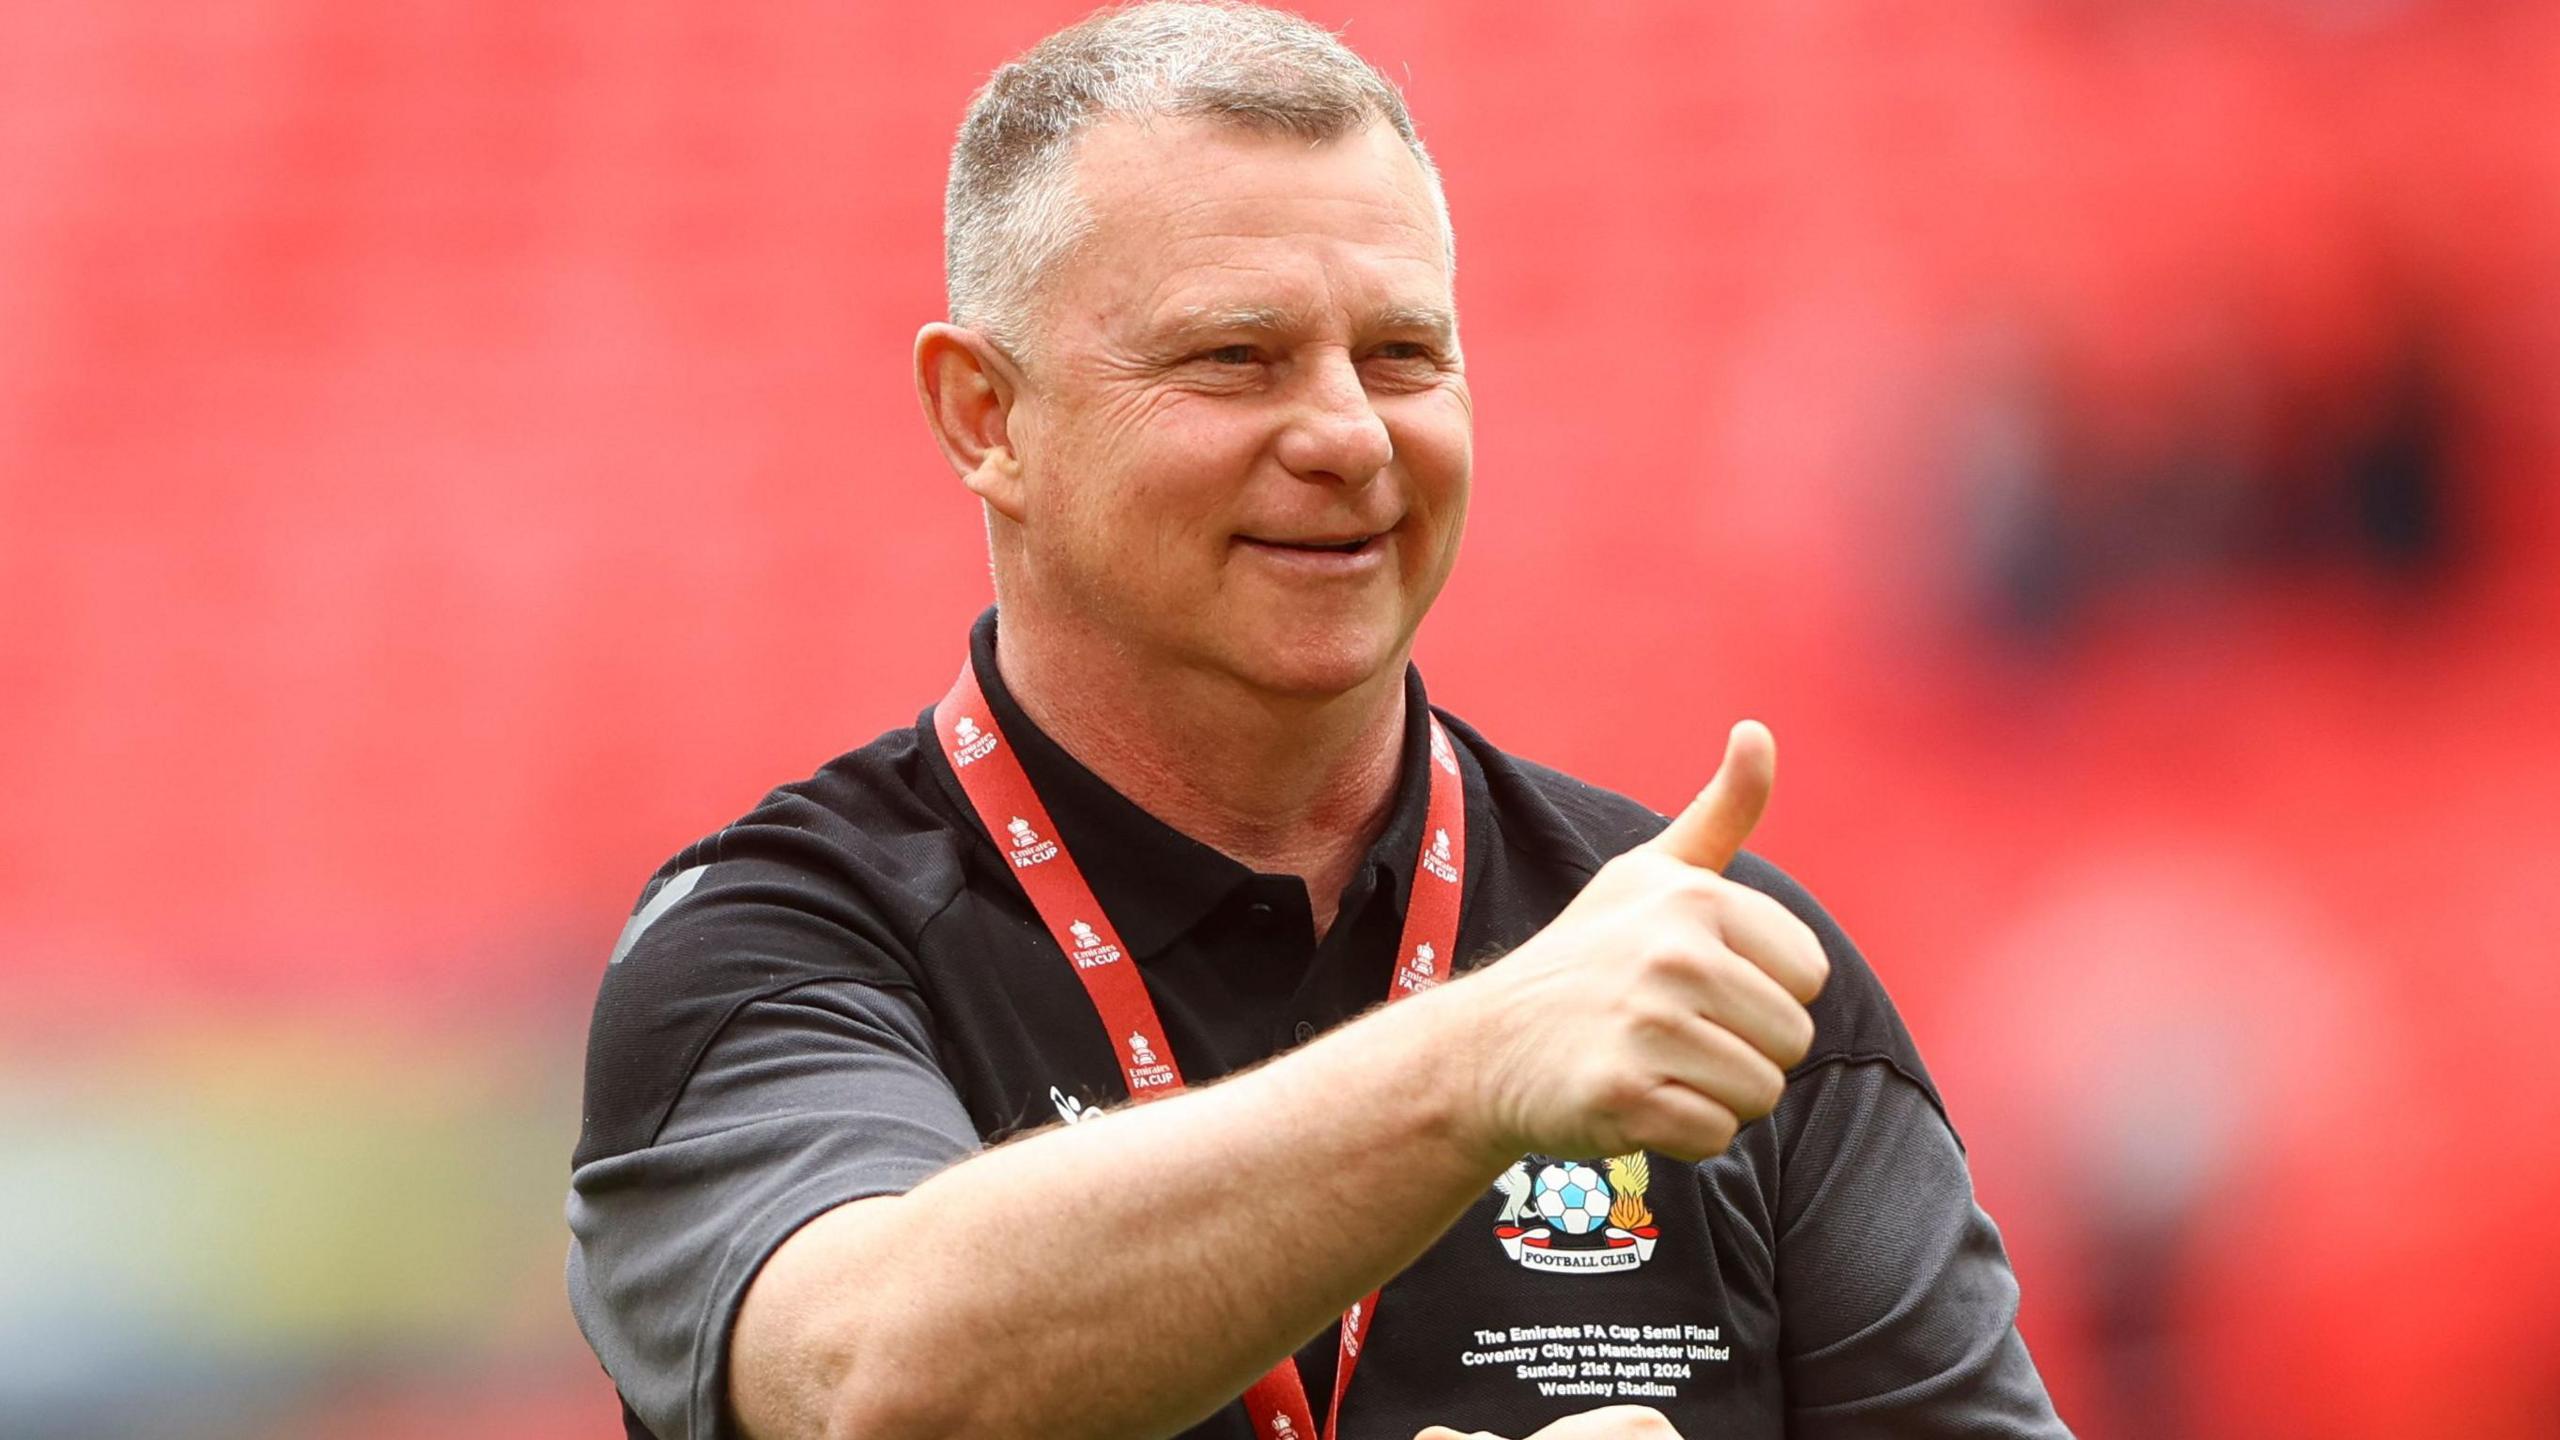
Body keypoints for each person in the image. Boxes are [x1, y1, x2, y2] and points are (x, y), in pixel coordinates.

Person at [565, 5, 2069, 1439]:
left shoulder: (1712, 967)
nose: (1351, 434)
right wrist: (1476, 1062)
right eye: (1236, 357)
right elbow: (881, 1385)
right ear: (985, 418)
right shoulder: (772, 946)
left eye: (1405, 353)